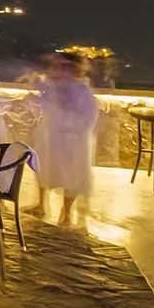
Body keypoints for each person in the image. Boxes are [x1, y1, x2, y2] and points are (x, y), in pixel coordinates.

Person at [34, 51, 99, 228]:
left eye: (64, 67)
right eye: (58, 67)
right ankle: (41, 204)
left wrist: (68, 124)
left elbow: (88, 119)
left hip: (72, 141)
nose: (59, 71)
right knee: (45, 169)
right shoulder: (52, 88)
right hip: (50, 136)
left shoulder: (83, 92)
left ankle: (67, 212)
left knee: (72, 176)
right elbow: (43, 108)